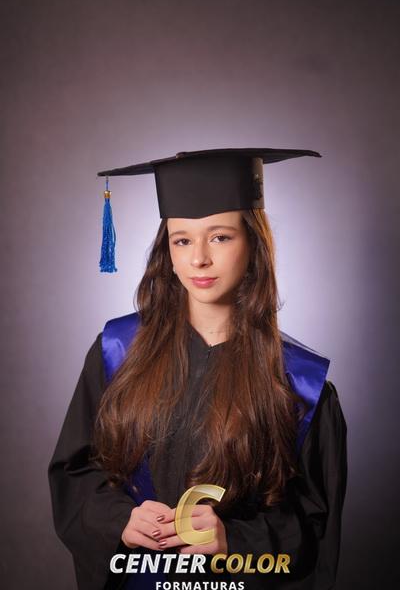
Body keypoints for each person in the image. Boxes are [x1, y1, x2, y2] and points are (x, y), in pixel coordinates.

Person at [48, 148, 347, 590]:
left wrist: (235, 540)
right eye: (182, 240)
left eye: (220, 237)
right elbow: (75, 472)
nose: (198, 259)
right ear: (167, 250)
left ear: (253, 243)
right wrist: (120, 520)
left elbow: (312, 526)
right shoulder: (117, 350)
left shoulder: (299, 383)